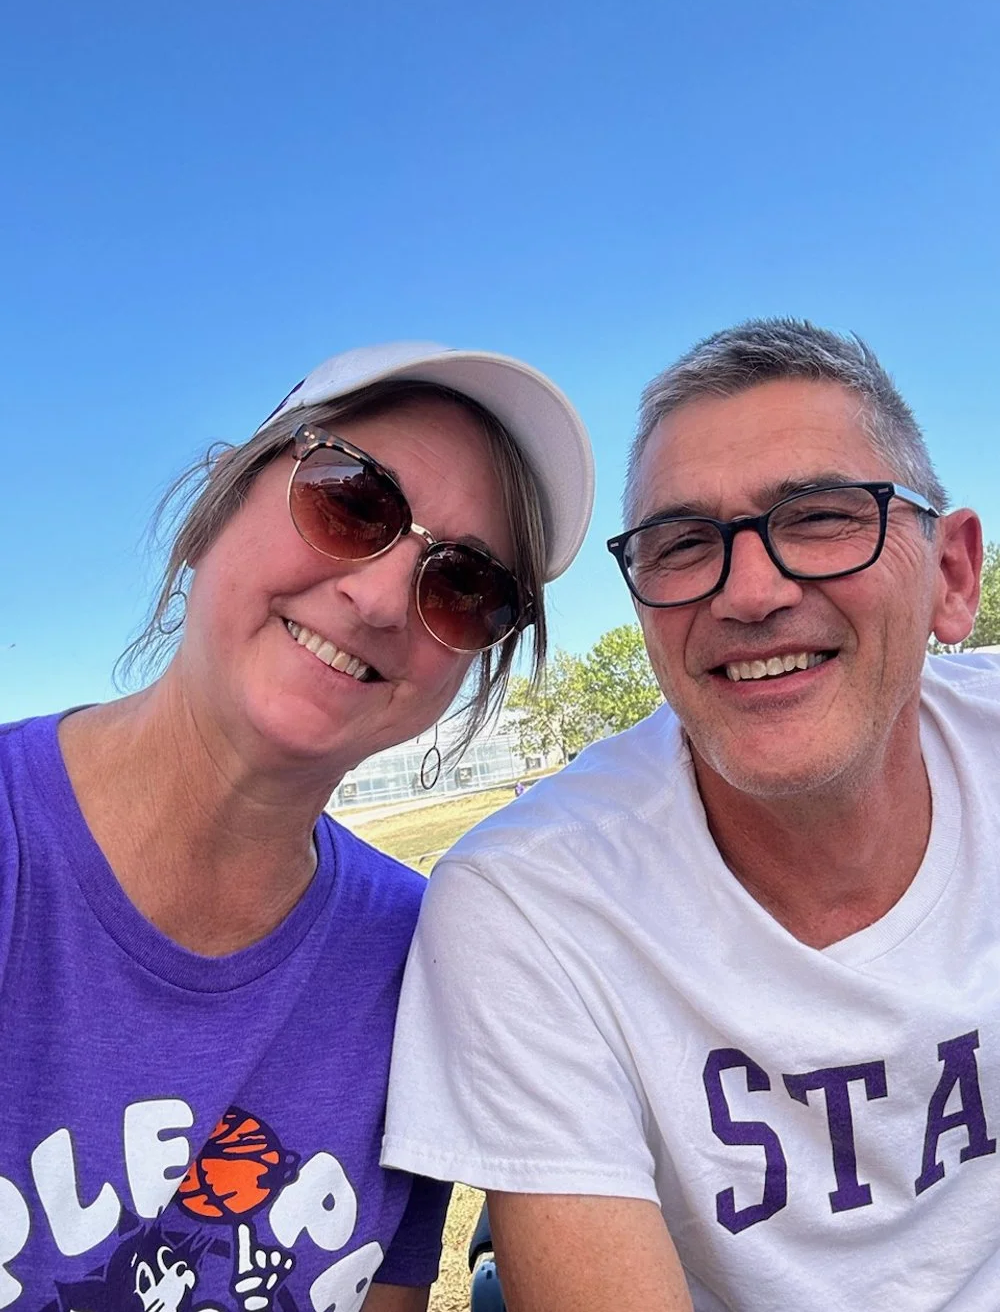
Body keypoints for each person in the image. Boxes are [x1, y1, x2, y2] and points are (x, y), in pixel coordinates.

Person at [382, 320, 1000, 1311]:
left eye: (823, 516)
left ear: (952, 576)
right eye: (681, 544)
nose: (750, 591)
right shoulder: (533, 902)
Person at [0, 340, 593, 1309]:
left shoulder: (420, 958)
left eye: (464, 583)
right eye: (351, 500)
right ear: (214, 509)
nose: (377, 599)